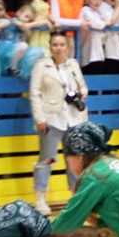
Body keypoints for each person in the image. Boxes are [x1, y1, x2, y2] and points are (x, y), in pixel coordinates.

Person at [29, 31, 90, 209]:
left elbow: (83, 87)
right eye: (55, 45)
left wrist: (81, 94)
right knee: (47, 159)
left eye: (62, 45)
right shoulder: (42, 66)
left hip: (74, 118)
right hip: (51, 118)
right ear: (50, 47)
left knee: (75, 159)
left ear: (67, 47)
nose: (58, 48)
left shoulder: (73, 64)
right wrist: (39, 118)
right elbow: (34, 93)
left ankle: (76, 196)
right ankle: (40, 198)